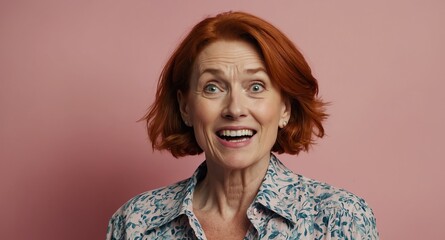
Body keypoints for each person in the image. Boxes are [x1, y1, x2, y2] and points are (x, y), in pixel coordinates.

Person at [106, 11, 379, 240]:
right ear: (185, 107)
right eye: (213, 87)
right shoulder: (135, 223)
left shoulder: (340, 219)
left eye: (256, 86)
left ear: (285, 108)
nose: (235, 109)